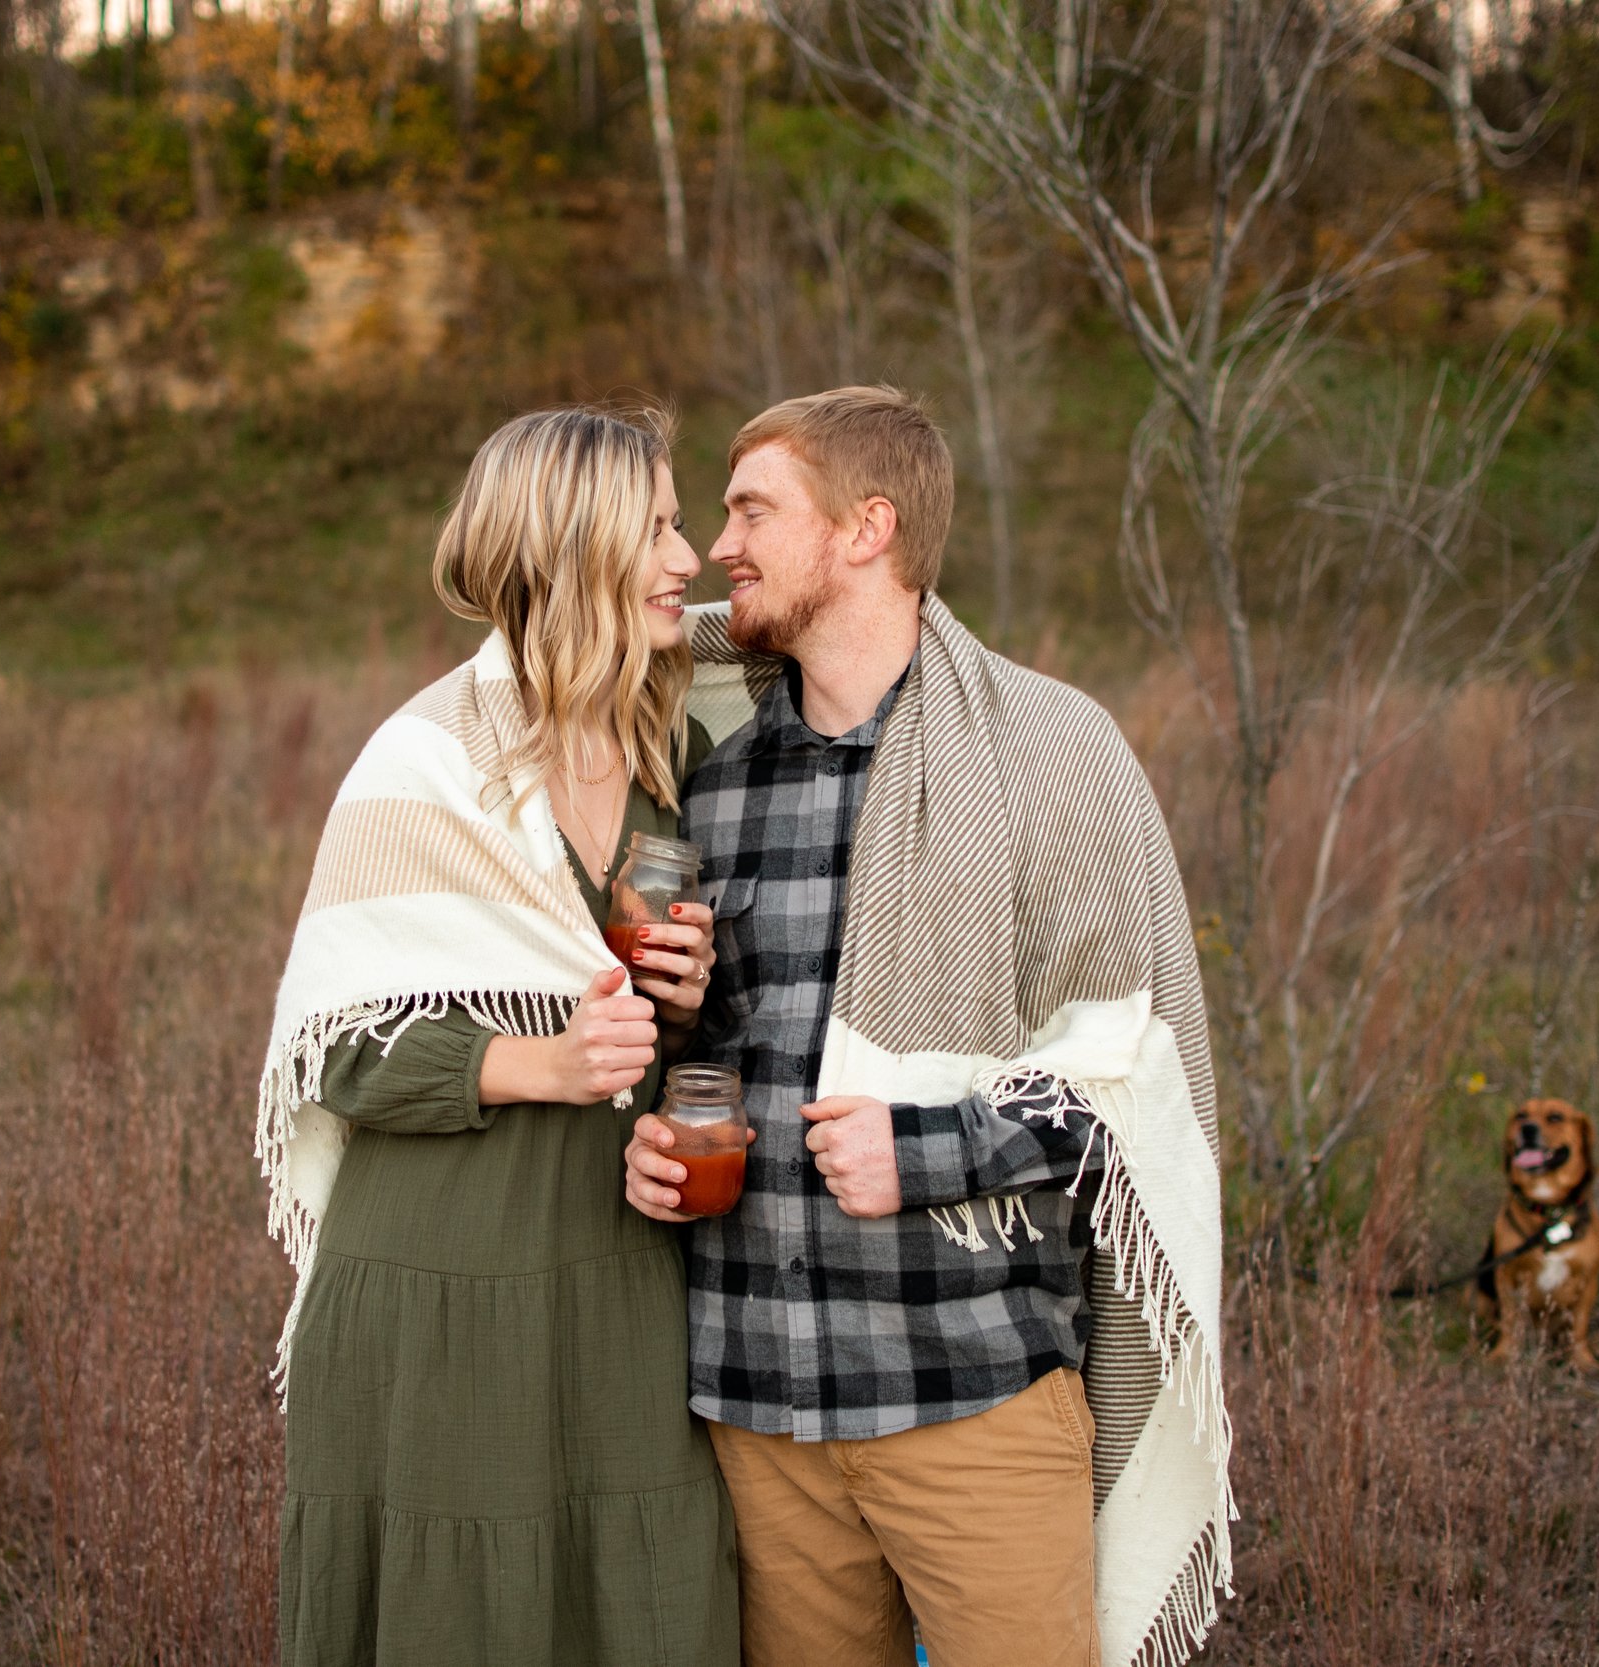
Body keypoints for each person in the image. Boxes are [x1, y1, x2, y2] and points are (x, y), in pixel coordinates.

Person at [622, 388, 1233, 1667]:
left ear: (867, 527)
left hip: (969, 1395)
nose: (719, 548)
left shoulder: (1050, 751)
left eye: (752, 510)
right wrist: (666, 1111)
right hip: (756, 1404)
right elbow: (718, 1045)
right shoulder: (712, 780)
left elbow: (1136, 1068)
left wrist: (934, 1148)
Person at [259, 406, 739, 1667]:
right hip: (442, 1282)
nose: (687, 559)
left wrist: (683, 990)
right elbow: (329, 1051)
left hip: (618, 1270)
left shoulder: (667, 753)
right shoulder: (423, 766)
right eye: (656, 528)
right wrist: (531, 1062)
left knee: (640, 1593)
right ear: (572, 547)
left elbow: (640, 1018)